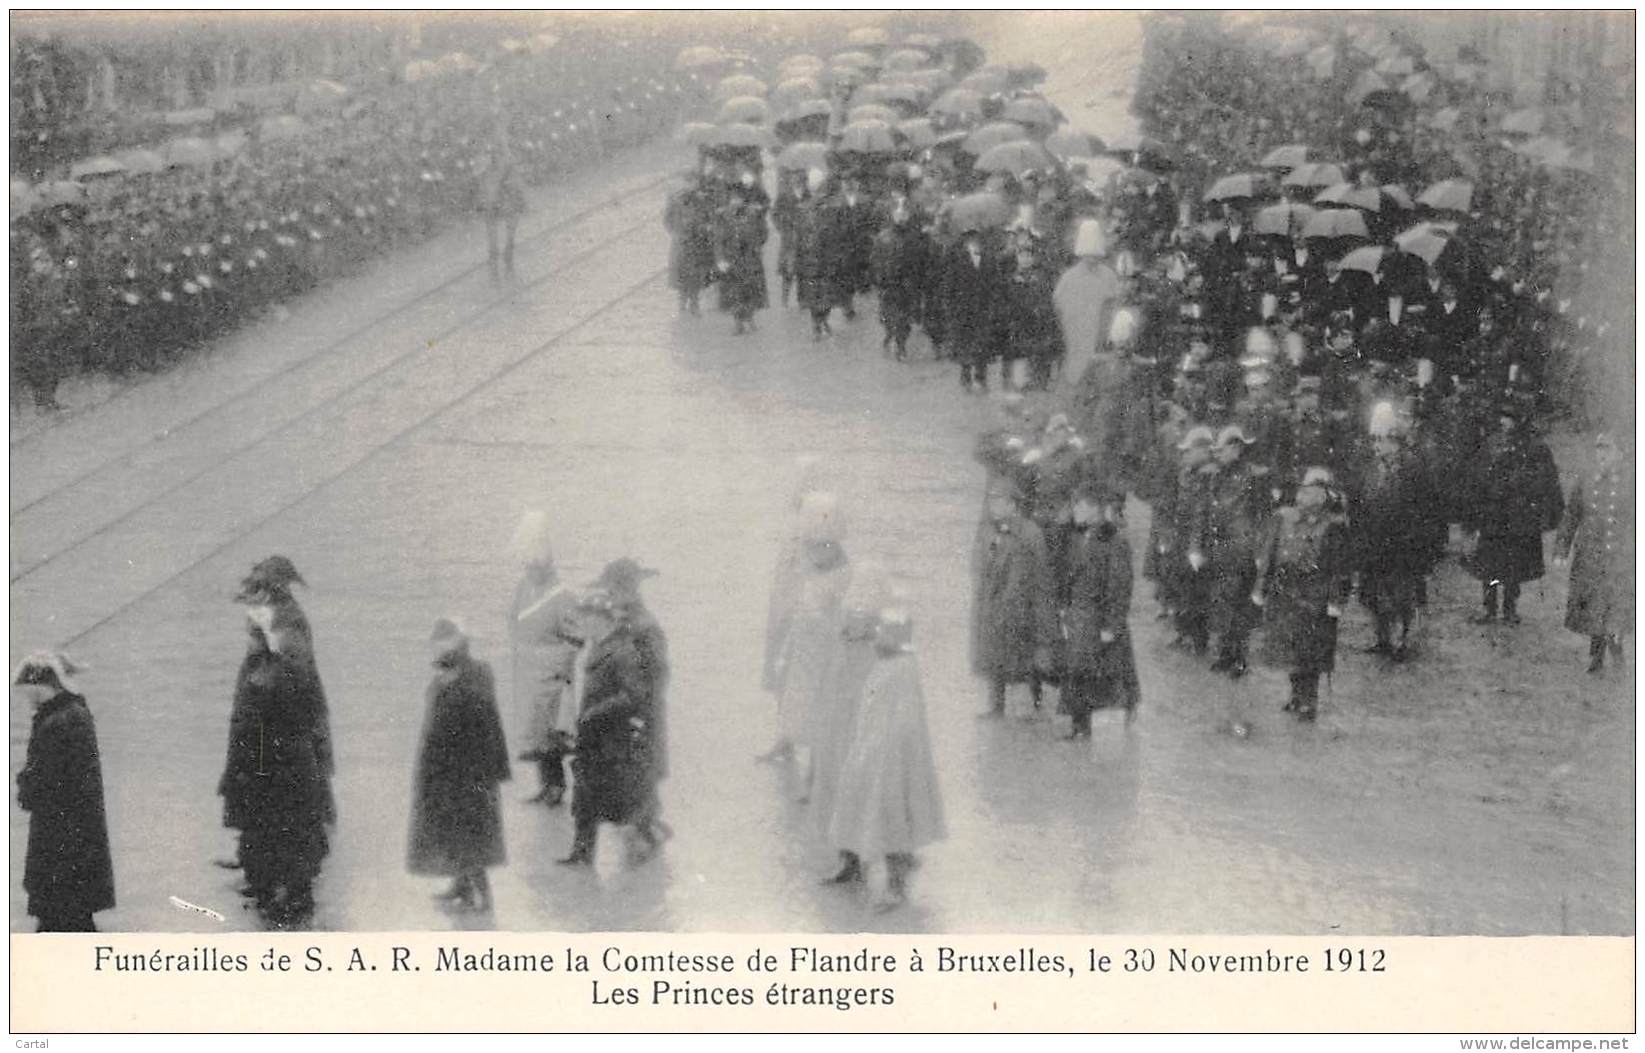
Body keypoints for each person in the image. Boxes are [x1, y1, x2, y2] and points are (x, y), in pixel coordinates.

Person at [218, 555, 335, 923]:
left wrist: (263, 664)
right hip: (269, 736)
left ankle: (286, 885)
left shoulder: (285, 622)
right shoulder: (275, 620)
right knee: (269, 808)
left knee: (286, 812)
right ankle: (261, 871)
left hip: (282, 739)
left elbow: (290, 675)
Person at [825, 602, 946, 912]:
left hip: (890, 759)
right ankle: (850, 861)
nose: (875, 639)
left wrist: (888, 751)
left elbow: (907, 723)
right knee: (851, 803)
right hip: (866, 750)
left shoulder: (904, 669)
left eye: (881, 634)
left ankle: (896, 885)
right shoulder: (882, 662)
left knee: (890, 818)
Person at [559, 558, 670, 867]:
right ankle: (644, 848)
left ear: (627, 589)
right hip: (625, 721)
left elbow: (655, 678)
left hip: (637, 722)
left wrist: (638, 717)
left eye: (612, 589)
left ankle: (645, 852)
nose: (610, 596)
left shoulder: (644, 626)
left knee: (633, 790)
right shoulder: (623, 621)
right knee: (627, 790)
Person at [408, 619, 511, 913]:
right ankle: (461, 886)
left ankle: (482, 895)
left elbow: (479, 725)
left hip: (467, 771)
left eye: (443, 642)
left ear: (459, 643)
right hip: (448, 769)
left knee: (469, 833)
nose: (436, 648)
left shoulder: (470, 677)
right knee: (452, 830)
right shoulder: (456, 673)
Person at [15, 653, 114, 932]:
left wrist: (24, 785)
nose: (28, 699)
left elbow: (42, 781)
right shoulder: (71, 713)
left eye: (29, 692)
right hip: (75, 829)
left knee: (61, 906)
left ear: (42, 686)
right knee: (73, 905)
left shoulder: (57, 722)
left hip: (61, 830)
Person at [764, 491, 852, 786]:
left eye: (820, 547)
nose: (814, 552)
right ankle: (791, 747)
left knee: (823, 711)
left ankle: (818, 773)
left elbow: (844, 616)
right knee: (798, 703)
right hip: (803, 648)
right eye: (812, 546)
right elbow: (799, 601)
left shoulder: (842, 574)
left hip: (826, 653)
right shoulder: (810, 565)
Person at [1253, 467, 1353, 721]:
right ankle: (1296, 695)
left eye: (1308, 492)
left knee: (1312, 650)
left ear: (1322, 496)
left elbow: (1340, 568)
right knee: (1291, 648)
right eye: (1301, 491)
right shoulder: (1285, 518)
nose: (1301, 496)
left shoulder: (1333, 526)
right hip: (1287, 592)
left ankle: (1309, 699)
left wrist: (1336, 600)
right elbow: (1270, 556)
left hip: (1315, 595)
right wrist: (1261, 588)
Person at [1350, 401, 1442, 659]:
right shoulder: (1369, 469)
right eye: (1375, 440)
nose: (1377, 446)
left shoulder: (1413, 468)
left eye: (1383, 441)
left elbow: (1428, 508)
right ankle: (1381, 638)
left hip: (1403, 544)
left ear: (1396, 442)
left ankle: (1402, 639)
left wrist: (1423, 542)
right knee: (1374, 595)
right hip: (1374, 542)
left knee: (1401, 596)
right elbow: (1357, 504)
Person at [1462, 404, 1564, 625]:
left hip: (1518, 519)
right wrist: (1475, 510)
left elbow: (1547, 482)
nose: (1503, 422)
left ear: (1519, 421)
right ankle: (1489, 609)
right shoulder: (1491, 444)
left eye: (1509, 418)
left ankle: (1510, 608)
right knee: (1489, 566)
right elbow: (1477, 478)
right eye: (1502, 417)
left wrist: (1534, 505)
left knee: (1513, 566)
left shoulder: (1534, 448)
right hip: (1493, 518)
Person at [508, 511, 580, 806]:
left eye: (535, 565)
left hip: (551, 673)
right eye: (528, 564)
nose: (530, 570)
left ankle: (557, 786)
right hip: (528, 668)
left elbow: (576, 638)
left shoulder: (562, 595)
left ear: (547, 566)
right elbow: (513, 619)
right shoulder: (523, 588)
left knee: (553, 732)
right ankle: (545, 784)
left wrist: (556, 664)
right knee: (535, 730)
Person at [1060, 485, 1141, 737]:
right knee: (1078, 671)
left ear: (1095, 509)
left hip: (1099, 618)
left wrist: (1111, 626)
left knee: (1109, 672)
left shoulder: (1114, 541)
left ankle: (1124, 715)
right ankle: (1079, 725)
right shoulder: (1077, 537)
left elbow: (1119, 587)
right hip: (1079, 616)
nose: (1074, 510)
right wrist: (1064, 609)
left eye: (1080, 505)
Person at [971, 489, 1055, 717]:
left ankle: (1036, 702)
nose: (993, 508)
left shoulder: (1030, 532)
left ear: (1013, 505)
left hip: (1024, 604)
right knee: (994, 654)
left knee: (1029, 657)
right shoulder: (989, 531)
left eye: (1000, 502)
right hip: (995, 603)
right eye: (992, 503)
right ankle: (996, 706)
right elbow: (981, 565)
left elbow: (1040, 572)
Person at [1554, 433, 1633, 673]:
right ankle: (1597, 656)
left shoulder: (1632, 481)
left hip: (1620, 556)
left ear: (1619, 453)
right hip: (1590, 554)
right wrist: (1562, 548)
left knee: (1616, 606)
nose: (1601, 455)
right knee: (1593, 606)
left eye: (1607, 450)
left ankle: (1616, 650)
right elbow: (1571, 515)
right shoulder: (1586, 479)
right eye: (1598, 449)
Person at [1053, 218, 1122, 377]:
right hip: (1076, 328)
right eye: (1087, 255)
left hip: (1100, 328)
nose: (1091, 258)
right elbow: (1058, 303)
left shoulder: (1108, 275)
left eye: (1094, 255)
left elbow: (1115, 301)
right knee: (1077, 362)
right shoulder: (1069, 277)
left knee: (1098, 364)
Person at [871, 198, 929, 361]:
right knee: (889, 316)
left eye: (904, 214)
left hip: (907, 285)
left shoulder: (915, 237)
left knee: (903, 319)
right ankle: (890, 334)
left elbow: (920, 260)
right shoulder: (883, 237)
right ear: (892, 215)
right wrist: (879, 279)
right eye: (898, 213)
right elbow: (876, 260)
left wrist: (919, 281)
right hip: (888, 284)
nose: (901, 217)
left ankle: (901, 345)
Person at [715, 182, 770, 335]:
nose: (735, 202)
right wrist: (720, 259)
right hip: (732, 260)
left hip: (751, 259)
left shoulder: (753, 214)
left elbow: (763, 232)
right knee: (734, 292)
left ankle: (750, 318)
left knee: (751, 291)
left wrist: (757, 245)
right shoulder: (723, 216)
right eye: (733, 199)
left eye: (738, 198)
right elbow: (718, 240)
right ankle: (738, 322)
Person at [664, 171, 716, 316]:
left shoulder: (702, 200)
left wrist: (704, 229)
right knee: (682, 275)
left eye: (694, 181)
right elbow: (667, 220)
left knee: (696, 275)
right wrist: (677, 232)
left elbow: (709, 218)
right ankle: (682, 303)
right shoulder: (676, 199)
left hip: (697, 242)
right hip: (681, 243)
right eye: (689, 181)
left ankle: (694, 304)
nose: (691, 184)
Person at [477, 144, 527, 282]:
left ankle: (502, 262)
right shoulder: (487, 165)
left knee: (502, 233)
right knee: (496, 237)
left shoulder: (504, 163)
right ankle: (501, 263)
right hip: (494, 202)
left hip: (500, 200)